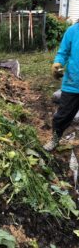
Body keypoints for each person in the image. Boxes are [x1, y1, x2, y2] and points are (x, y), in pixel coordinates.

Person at [44, 21, 79, 151]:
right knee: (62, 116)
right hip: (73, 83)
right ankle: (55, 138)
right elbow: (63, 52)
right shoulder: (72, 31)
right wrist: (58, 63)